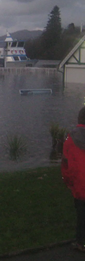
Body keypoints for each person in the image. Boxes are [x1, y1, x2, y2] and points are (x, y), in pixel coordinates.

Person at [62, 106, 85, 252]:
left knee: (81, 215)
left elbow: (66, 165)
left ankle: (81, 243)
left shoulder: (70, 140)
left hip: (79, 185)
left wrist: (68, 182)